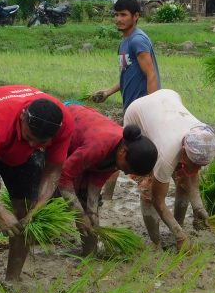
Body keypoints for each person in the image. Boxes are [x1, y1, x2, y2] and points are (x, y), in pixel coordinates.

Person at [0, 85, 75, 285]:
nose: (32, 147)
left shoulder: (64, 124)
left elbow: (53, 170)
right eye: (29, 138)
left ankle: (12, 279)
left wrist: (40, 205)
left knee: (26, 208)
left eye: (41, 144)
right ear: (22, 117)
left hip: (12, 139)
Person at [123, 90, 215, 248]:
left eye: (200, 165)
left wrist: (198, 207)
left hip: (168, 98)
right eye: (193, 163)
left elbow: (190, 176)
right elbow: (158, 200)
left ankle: (175, 230)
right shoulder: (167, 155)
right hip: (138, 116)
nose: (196, 169)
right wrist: (180, 235)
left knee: (182, 176)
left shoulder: (204, 138)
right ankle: (156, 242)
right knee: (148, 188)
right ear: (184, 153)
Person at [57, 105, 158, 255]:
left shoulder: (120, 153)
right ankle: (31, 236)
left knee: (87, 205)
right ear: (123, 152)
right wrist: (80, 215)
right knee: (53, 195)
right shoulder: (98, 146)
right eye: (128, 169)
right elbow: (63, 176)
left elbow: (97, 178)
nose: (125, 172)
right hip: (63, 131)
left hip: (86, 146)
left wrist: (92, 212)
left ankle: (89, 253)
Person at [88, 0, 160, 111]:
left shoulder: (138, 40)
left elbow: (151, 75)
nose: (118, 19)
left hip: (142, 109)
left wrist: (151, 109)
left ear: (136, 16)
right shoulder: (124, 42)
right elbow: (127, 76)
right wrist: (107, 92)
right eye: (116, 15)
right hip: (130, 107)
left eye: (123, 15)